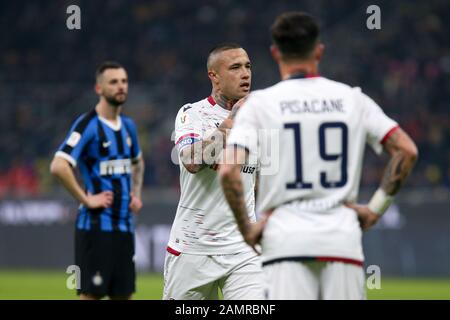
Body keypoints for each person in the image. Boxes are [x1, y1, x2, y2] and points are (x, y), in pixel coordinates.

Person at [220, 12, 418, 300]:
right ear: (319, 50)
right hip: (341, 240)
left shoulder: (260, 105)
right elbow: (407, 150)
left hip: (284, 241)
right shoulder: (352, 99)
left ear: (275, 53)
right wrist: (374, 210)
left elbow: (228, 171)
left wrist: (248, 228)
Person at [163, 43, 264, 300]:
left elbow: (257, 182)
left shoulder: (260, 120)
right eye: (235, 67)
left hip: (243, 251)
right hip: (193, 250)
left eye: (248, 66)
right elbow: (192, 161)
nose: (245, 73)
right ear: (214, 76)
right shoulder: (192, 114)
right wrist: (232, 122)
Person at [50, 61, 144, 300]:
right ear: (99, 89)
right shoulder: (88, 125)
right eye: (113, 82)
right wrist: (86, 199)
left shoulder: (129, 126)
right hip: (94, 228)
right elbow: (59, 165)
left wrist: (136, 194)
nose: (121, 86)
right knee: (90, 296)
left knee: (123, 296)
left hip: (124, 227)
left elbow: (138, 163)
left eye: (124, 81)